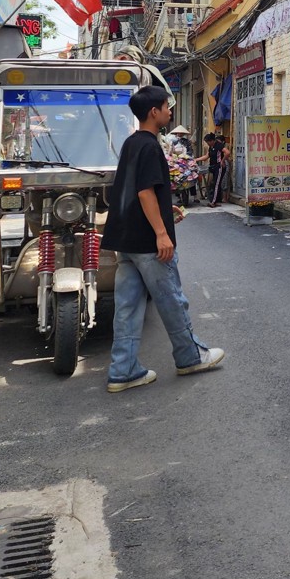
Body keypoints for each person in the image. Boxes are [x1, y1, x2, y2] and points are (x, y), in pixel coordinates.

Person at [102, 85, 224, 392]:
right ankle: (190, 356)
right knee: (172, 300)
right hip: (147, 242)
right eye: (166, 107)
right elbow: (144, 191)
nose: (170, 112)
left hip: (126, 240)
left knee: (127, 308)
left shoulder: (132, 143)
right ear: (153, 112)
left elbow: (139, 189)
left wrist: (163, 205)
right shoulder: (150, 146)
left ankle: (123, 370)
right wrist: (161, 233)